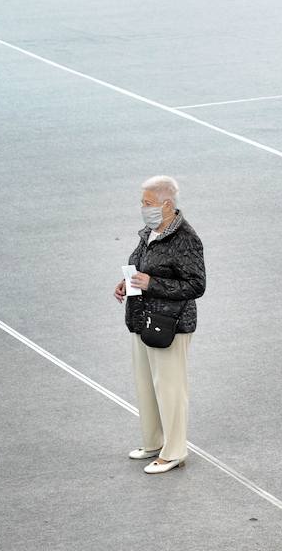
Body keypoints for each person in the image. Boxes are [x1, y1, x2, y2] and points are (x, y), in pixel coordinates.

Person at [113, 175, 205, 474]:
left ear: (167, 204)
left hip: (170, 323)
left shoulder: (185, 239)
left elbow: (196, 285)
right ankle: (153, 442)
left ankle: (174, 450)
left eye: (148, 202)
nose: (143, 207)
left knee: (170, 389)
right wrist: (128, 283)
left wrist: (152, 283)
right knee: (146, 386)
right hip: (142, 319)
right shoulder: (149, 233)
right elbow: (141, 266)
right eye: (142, 202)